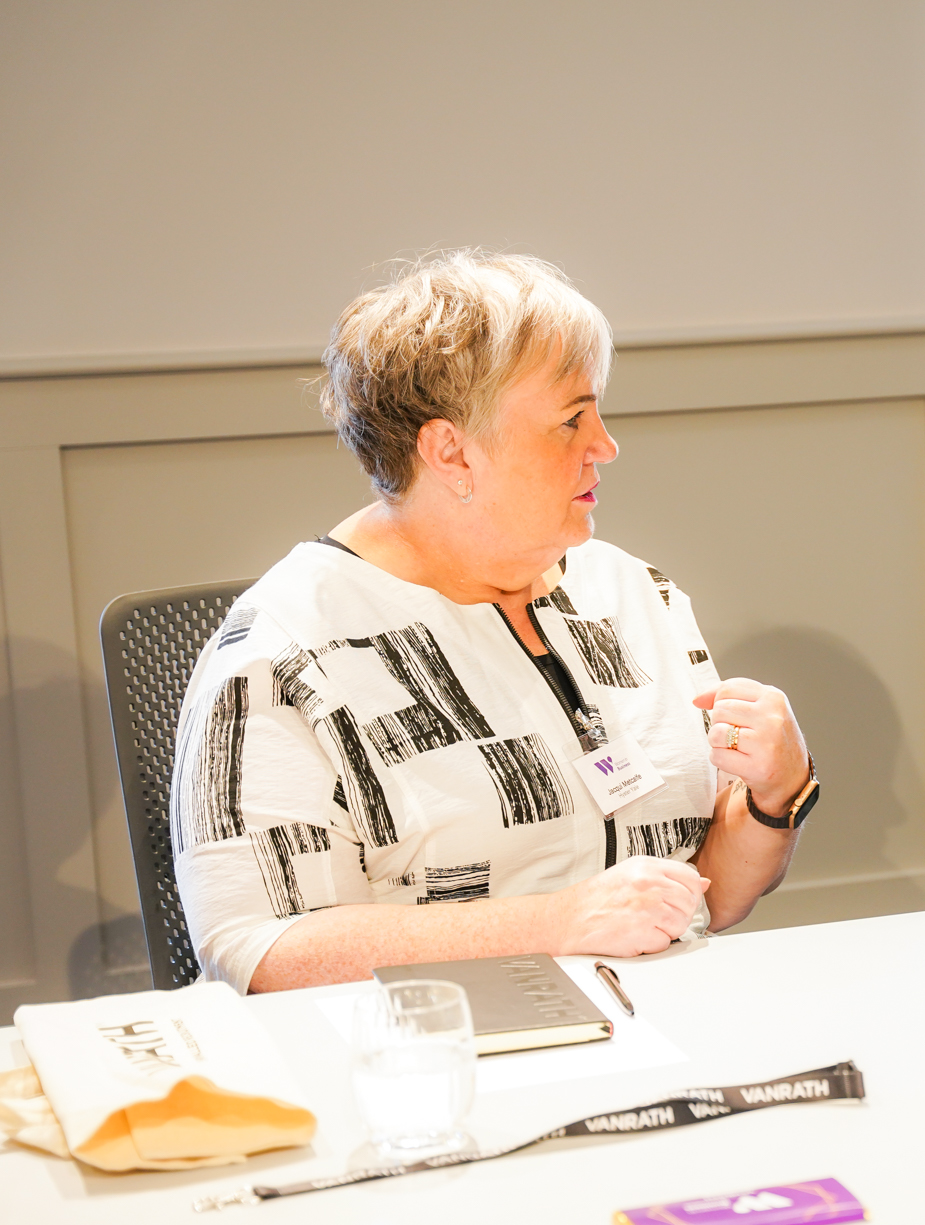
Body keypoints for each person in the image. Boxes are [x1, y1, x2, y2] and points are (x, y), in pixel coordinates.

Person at [171, 251, 821, 992]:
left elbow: (702, 895)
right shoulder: (285, 650)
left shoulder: (634, 594)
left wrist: (779, 797)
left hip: (663, 1020)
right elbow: (256, 949)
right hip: (427, 1056)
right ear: (451, 452)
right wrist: (553, 923)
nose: (605, 445)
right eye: (571, 420)